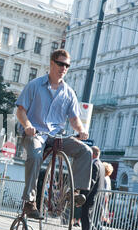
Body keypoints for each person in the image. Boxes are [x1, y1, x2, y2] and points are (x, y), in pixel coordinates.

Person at [15, 49, 92, 219]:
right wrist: (27, 125)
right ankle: (29, 202)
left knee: (85, 151)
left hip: (58, 135)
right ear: (51, 63)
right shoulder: (35, 85)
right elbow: (20, 111)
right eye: (60, 63)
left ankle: (75, 191)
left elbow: (74, 119)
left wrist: (81, 130)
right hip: (36, 133)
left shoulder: (69, 92)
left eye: (67, 65)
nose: (64, 68)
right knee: (35, 155)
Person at [74, 146, 113, 230]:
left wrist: (83, 195)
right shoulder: (100, 164)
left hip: (90, 196)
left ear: (93, 154)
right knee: (88, 219)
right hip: (95, 197)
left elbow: (91, 182)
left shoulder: (94, 164)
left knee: (86, 218)